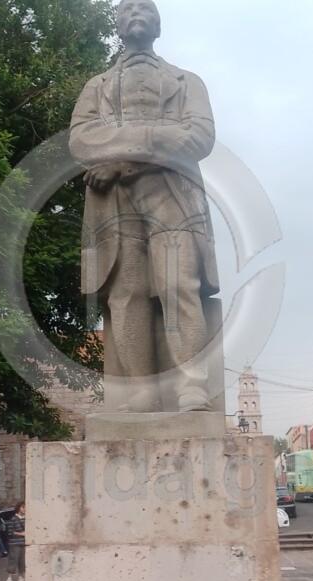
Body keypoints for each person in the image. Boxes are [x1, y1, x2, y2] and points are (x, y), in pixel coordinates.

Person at [69, 0, 219, 413]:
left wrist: (124, 159)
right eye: (127, 8)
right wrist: (158, 137)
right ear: (117, 25)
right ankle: (140, 391)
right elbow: (81, 141)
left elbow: (198, 137)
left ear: (158, 25)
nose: (136, 12)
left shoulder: (187, 82)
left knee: (178, 286)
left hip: (173, 196)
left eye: (146, 8)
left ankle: (191, 386)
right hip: (113, 202)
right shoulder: (96, 86)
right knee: (126, 293)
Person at [5, 501, 26, 581]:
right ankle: (9, 578)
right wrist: (21, 534)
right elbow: (10, 532)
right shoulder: (13, 519)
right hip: (15, 543)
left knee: (22, 561)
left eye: (26, 507)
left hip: (24, 543)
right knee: (13, 560)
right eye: (23, 507)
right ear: (18, 508)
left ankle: (21, 577)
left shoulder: (27, 519)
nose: (25, 509)